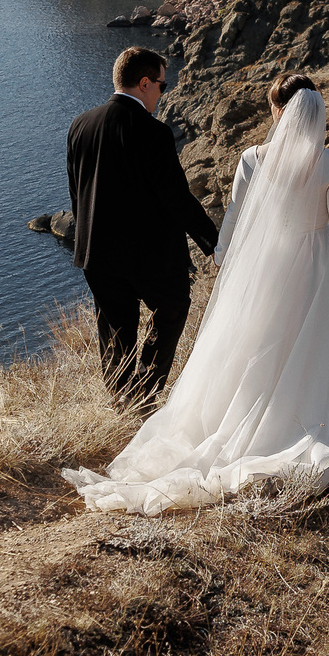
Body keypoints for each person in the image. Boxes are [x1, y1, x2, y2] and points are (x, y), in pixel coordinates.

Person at [66, 72, 329, 516]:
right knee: (314, 354)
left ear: (279, 111)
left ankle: (242, 429)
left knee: (256, 352)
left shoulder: (252, 159)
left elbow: (233, 216)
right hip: (317, 271)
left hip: (265, 267)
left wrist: (224, 261)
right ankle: (312, 444)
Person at [66, 46, 220, 409]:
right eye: (162, 87)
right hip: (148, 255)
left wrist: (86, 239)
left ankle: (121, 403)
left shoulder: (80, 125)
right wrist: (213, 242)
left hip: (95, 253)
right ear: (145, 83)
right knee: (173, 308)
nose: (162, 96)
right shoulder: (154, 133)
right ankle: (146, 394)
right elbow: (176, 197)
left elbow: (77, 193)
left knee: (115, 331)